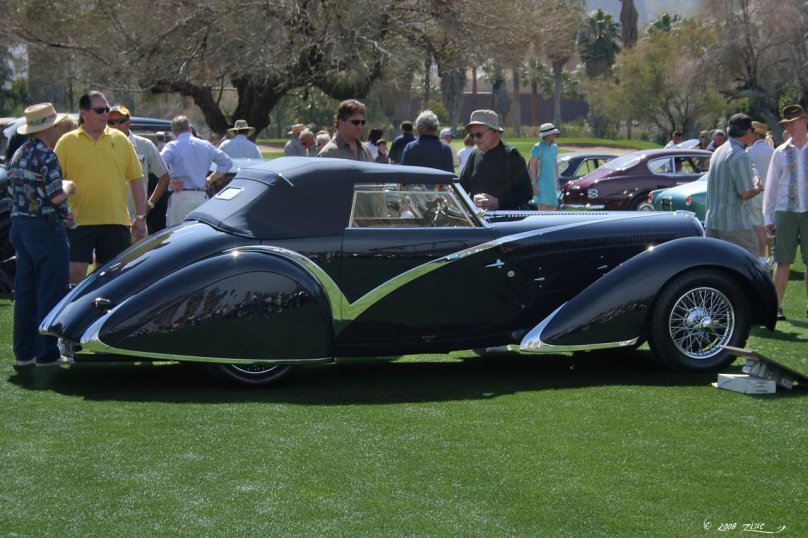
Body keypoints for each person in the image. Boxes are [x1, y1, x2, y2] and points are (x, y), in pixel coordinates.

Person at [54, 90, 146, 284]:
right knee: (74, 277)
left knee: (112, 279)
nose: (106, 114)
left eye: (107, 109)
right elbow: (54, 182)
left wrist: (140, 217)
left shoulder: (121, 140)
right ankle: (75, 314)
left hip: (116, 221)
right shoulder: (67, 142)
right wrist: (60, 212)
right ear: (84, 113)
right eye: (100, 110)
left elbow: (136, 179)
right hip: (79, 223)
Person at [8, 103, 75, 367]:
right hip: (44, 229)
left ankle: (24, 352)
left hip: (20, 226)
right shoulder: (47, 156)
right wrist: (69, 189)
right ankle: (47, 353)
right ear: (50, 128)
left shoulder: (18, 154)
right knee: (50, 288)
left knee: (25, 290)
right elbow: (56, 195)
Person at [763, 104, 808, 321]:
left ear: (803, 121)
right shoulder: (780, 153)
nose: (790, 127)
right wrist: (768, 217)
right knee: (782, 261)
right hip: (785, 211)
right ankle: (776, 307)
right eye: (787, 124)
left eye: (793, 122)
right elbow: (771, 187)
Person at [107, 105, 171, 235]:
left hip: (137, 220)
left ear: (129, 121)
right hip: (109, 219)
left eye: (121, 121)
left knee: (138, 254)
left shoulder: (145, 145)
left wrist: (149, 205)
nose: (116, 125)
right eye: (112, 122)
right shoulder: (101, 145)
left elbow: (164, 176)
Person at [704, 113, 762, 257]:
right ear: (747, 131)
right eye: (752, 130)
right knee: (750, 265)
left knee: (719, 271)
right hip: (734, 225)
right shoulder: (740, 155)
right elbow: (745, 193)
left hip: (713, 221)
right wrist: (758, 187)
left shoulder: (718, 151)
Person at [160, 115, 233, 227]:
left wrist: (170, 181)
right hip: (201, 197)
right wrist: (210, 178)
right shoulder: (205, 145)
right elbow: (227, 163)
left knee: (176, 235)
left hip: (180, 195)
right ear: (190, 129)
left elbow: (158, 164)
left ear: (174, 132)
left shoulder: (172, 146)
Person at [459, 109, 532, 210]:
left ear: (495, 132)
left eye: (479, 135)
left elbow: (526, 193)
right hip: (477, 221)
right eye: (472, 135)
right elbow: (462, 187)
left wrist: (498, 202)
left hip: (505, 221)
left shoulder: (512, 155)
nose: (475, 139)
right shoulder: (474, 155)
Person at [746, 120, 775, 266]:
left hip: (756, 192)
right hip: (770, 193)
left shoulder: (749, 152)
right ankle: (771, 257)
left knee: (757, 225)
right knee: (769, 224)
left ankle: (761, 257)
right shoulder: (772, 150)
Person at [528, 123, 561, 210]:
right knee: (543, 215)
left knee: (551, 214)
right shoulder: (537, 147)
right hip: (541, 185)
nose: (555, 135)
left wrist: (557, 182)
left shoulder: (554, 147)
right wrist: (534, 185)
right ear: (547, 135)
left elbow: (555, 165)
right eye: (553, 133)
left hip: (552, 185)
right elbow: (532, 167)